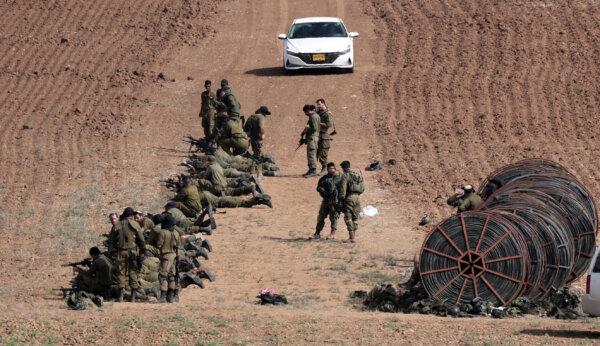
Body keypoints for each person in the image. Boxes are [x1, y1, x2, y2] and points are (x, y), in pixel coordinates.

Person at [111, 207, 146, 302]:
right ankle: (133, 297)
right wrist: (143, 251)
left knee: (120, 273)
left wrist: (114, 251)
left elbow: (111, 241)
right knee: (133, 272)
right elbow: (141, 240)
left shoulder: (117, 225)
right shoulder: (135, 224)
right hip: (133, 252)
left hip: (120, 252)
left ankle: (121, 296)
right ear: (131, 215)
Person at [310, 162, 341, 240]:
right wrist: (320, 189)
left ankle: (332, 234)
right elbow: (318, 187)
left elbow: (343, 189)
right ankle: (317, 233)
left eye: (333, 168)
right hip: (326, 200)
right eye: (330, 168)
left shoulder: (339, 178)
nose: (331, 170)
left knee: (334, 217)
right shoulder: (324, 178)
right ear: (327, 169)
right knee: (321, 217)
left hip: (335, 201)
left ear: (335, 169)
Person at [155, 214, 180, 303]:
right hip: (174, 256)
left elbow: (159, 245)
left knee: (162, 275)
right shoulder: (175, 232)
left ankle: (163, 296)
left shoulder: (163, 232)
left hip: (166, 256)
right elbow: (178, 245)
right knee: (172, 275)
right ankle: (171, 296)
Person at [338, 161, 364, 243]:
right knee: (355, 217)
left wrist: (341, 199)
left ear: (344, 168)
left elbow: (343, 189)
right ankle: (353, 236)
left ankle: (352, 238)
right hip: (357, 198)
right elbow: (363, 188)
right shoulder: (358, 175)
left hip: (349, 198)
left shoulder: (345, 175)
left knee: (348, 217)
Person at [316, 99, 335, 175]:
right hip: (319, 135)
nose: (318, 106)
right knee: (317, 152)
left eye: (319, 104)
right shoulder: (319, 113)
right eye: (317, 104)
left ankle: (324, 169)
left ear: (323, 104)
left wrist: (318, 122)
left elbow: (329, 124)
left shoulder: (327, 114)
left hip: (324, 136)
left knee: (323, 153)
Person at [301, 104, 320, 177]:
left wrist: (306, 131)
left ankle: (313, 170)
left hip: (312, 138)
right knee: (310, 154)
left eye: (305, 112)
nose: (305, 114)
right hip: (313, 137)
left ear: (308, 111)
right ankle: (311, 170)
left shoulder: (313, 117)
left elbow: (314, 128)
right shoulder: (315, 116)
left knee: (311, 154)